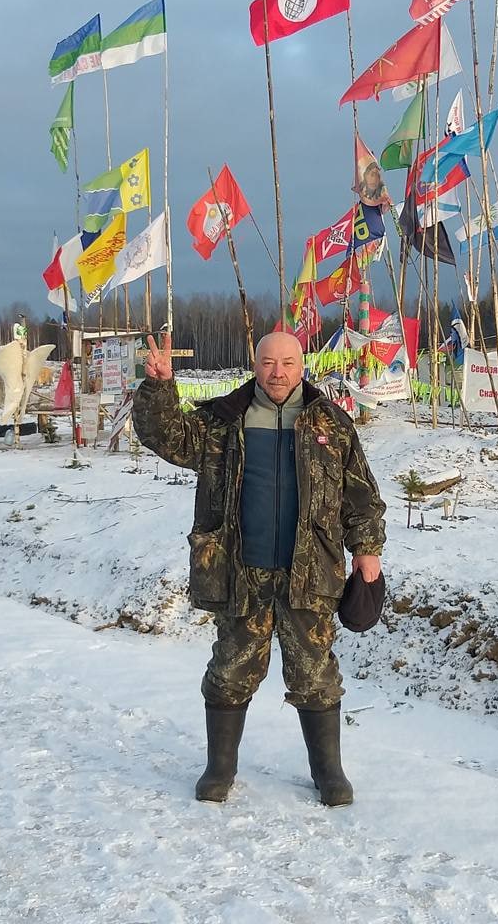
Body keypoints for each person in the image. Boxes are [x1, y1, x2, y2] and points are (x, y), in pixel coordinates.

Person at [132, 330, 386, 807]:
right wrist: (160, 387)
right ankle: (219, 769)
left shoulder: (331, 423)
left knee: (315, 675)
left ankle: (328, 771)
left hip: (309, 573)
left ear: (302, 366)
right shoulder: (224, 420)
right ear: (256, 365)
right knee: (231, 670)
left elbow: (361, 496)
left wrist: (366, 550)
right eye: (268, 363)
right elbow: (165, 437)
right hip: (239, 571)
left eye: (287, 363)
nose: (278, 372)